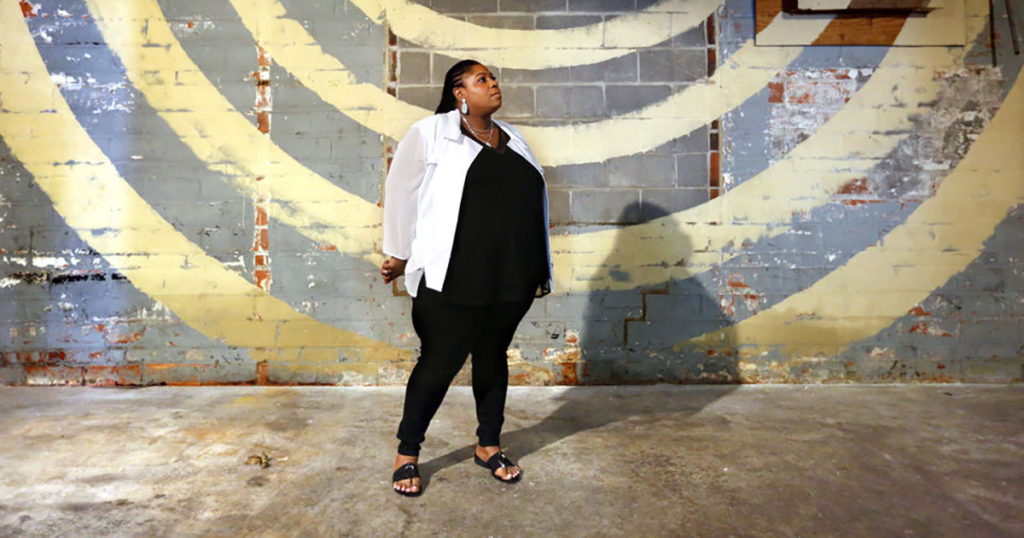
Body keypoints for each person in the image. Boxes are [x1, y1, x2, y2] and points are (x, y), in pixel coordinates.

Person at [380, 60, 554, 496]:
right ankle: (407, 453)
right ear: (459, 92)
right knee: (439, 361)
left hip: (512, 273)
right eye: (482, 80)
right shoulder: (430, 133)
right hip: (454, 273)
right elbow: (401, 192)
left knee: (493, 356)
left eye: (494, 78)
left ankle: (488, 445)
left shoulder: (512, 136)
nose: (494, 84)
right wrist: (399, 254)